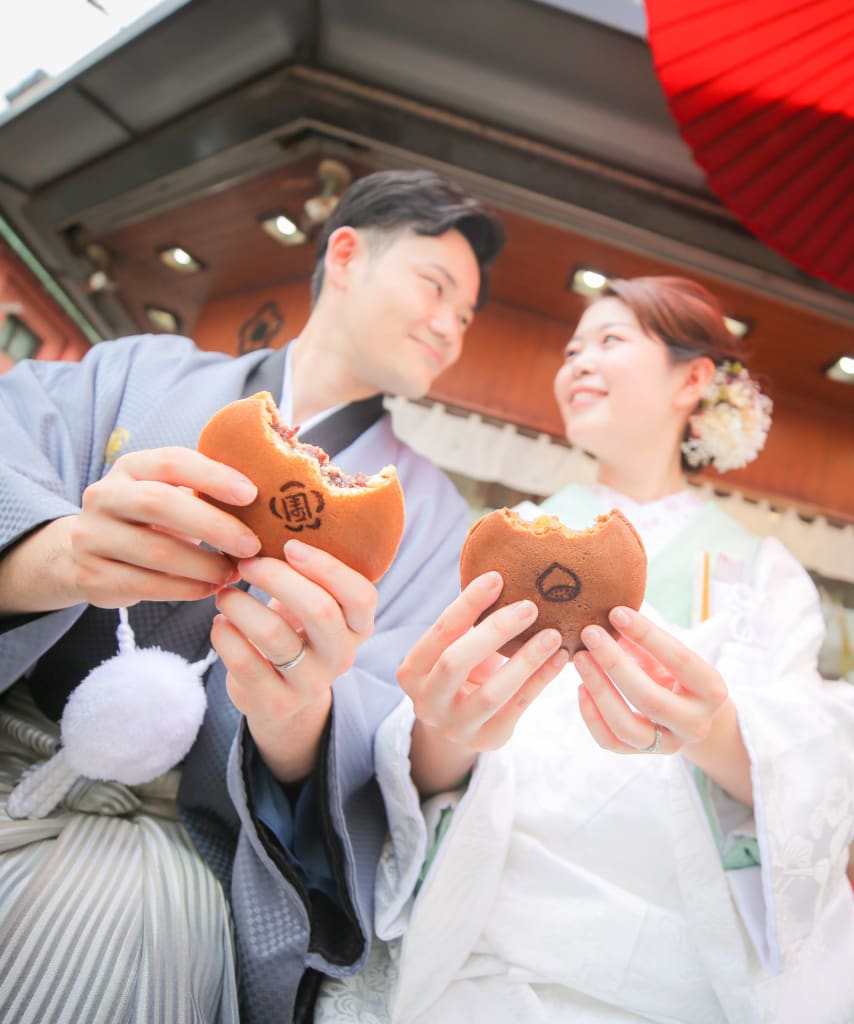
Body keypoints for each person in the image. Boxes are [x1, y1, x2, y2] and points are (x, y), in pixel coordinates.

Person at [0, 169, 511, 1023]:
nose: (449, 328)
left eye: (465, 317)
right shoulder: (139, 369)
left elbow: (386, 733)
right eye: (437, 288)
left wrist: (294, 719)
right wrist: (54, 556)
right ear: (345, 255)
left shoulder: (426, 519)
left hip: (167, 843)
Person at [318, 275, 854, 1023]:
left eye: (610, 341)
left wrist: (712, 728)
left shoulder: (760, 572)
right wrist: (445, 730)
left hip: (686, 930)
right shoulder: (509, 541)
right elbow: (431, 756)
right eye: (571, 349)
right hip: (506, 916)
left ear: (693, 380)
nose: (578, 363)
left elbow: (817, 755)